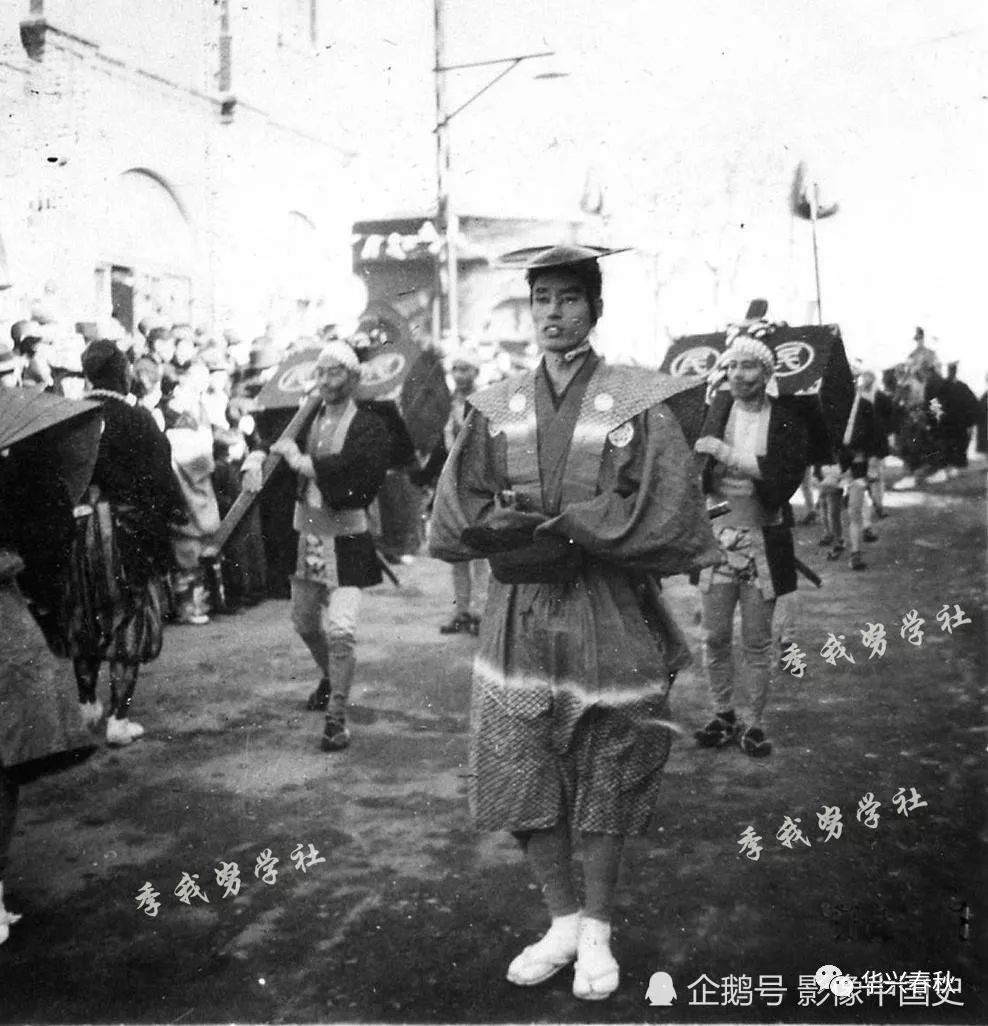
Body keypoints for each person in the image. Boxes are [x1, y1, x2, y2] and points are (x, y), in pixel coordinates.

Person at [429, 245, 717, 1001]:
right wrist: (504, 524)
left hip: (605, 603)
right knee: (519, 759)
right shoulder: (497, 404)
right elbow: (457, 508)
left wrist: (578, 524)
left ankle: (597, 929)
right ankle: (560, 920)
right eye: (542, 299)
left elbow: (668, 504)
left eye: (568, 298)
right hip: (520, 608)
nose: (553, 313)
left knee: (607, 764)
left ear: (595, 307)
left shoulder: (634, 400)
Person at [243, 341, 392, 752]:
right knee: (305, 624)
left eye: (335, 372)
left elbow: (358, 475)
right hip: (306, 538)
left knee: (341, 631)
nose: (325, 380)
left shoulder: (369, 425)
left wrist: (302, 463)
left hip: (347, 541)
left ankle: (336, 718)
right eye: (320, 372)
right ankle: (330, 677)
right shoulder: (303, 416)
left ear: (354, 378)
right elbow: (268, 443)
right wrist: (253, 461)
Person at [693, 329, 811, 757]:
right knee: (715, 636)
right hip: (718, 542)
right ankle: (723, 713)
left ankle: (755, 722)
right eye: (732, 366)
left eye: (748, 366)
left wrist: (726, 454)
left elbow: (782, 477)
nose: (739, 374)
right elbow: (695, 474)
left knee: (757, 641)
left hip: (763, 538)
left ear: (766, 372)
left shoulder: (785, 419)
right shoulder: (714, 412)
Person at [68, 340, 187, 746]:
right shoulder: (137, 419)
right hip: (125, 534)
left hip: (79, 532)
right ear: (122, 373)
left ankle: (87, 704)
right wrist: (171, 520)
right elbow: (161, 479)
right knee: (127, 619)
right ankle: (118, 718)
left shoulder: (70, 417)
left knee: (84, 616)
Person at [438, 346, 488, 635]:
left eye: (465, 369)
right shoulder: (447, 402)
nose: (459, 375)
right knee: (457, 550)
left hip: (477, 482)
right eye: (455, 369)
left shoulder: (485, 401)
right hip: (453, 480)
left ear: (475, 372)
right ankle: (461, 611)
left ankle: (480, 613)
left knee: (479, 550)